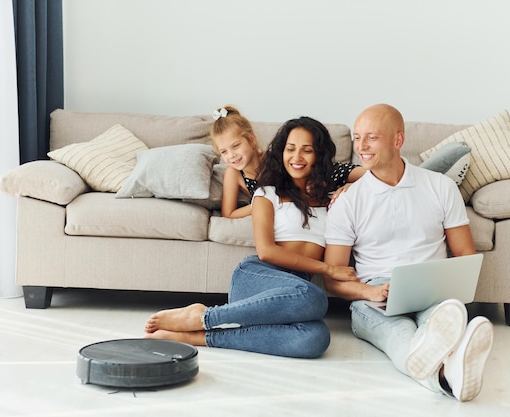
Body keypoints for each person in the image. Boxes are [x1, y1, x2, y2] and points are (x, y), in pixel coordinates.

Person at [144, 116, 358, 358]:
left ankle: (197, 337)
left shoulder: (333, 201)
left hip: (295, 290)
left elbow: (376, 174)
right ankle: (206, 317)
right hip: (258, 275)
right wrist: (328, 269)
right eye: (290, 149)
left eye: (306, 150)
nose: (296, 157)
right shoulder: (267, 192)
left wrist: (350, 187)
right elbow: (266, 251)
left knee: (316, 338)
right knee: (315, 299)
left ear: (318, 155)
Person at [322, 104, 494, 401]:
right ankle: (449, 372)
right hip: (375, 293)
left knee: (442, 322)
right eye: (357, 137)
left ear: (397, 140)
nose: (361, 147)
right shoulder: (348, 202)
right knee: (398, 334)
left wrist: (454, 288)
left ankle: (446, 374)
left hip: (433, 288)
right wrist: (367, 292)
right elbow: (331, 278)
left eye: (371, 137)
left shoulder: (440, 187)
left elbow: (464, 253)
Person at [210, 105, 365, 218]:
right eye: (224, 151)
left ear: (251, 139)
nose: (231, 155)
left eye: (236, 146)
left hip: (321, 181)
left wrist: (351, 187)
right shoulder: (234, 173)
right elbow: (228, 213)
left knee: (364, 177)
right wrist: (262, 203)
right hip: (312, 201)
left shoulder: (275, 159)